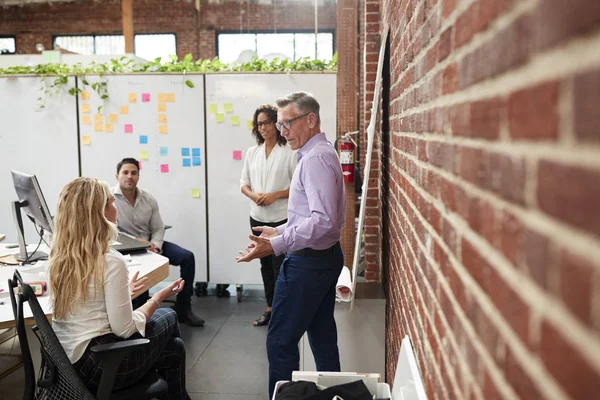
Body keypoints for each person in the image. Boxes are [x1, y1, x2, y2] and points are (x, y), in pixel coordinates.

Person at [236, 92, 345, 397]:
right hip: (322, 257)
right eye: (279, 124)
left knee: (280, 341)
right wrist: (279, 230)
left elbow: (322, 220)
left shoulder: (315, 159)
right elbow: (311, 215)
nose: (282, 131)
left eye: (287, 123)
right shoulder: (318, 152)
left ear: (310, 120)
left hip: (308, 263)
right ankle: (334, 394)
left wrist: (279, 243)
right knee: (322, 337)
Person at [49, 177, 191, 399]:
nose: (116, 207)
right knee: (170, 315)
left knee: (175, 348)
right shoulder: (110, 260)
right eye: (111, 203)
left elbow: (87, 300)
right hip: (102, 366)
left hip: (69, 365)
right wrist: (157, 298)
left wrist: (122, 293)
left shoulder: (61, 255)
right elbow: (123, 330)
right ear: (100, 213)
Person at [113, 158, 205, 327]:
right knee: (140, 272)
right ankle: (140, 314)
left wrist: (155, 245)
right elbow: (113, 232)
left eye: (134, 173)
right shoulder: (110, 200)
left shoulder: (148, 199)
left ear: (138, 176)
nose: (130, 176)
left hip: (152, 245)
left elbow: (158, 227)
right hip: (129, 250)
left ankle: (184, 307)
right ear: (117, 176)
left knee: (187, 257)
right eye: (125, 172)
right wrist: (140, 243)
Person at [240, 104, 296, 326]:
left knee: (281, 265)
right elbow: (243, 183)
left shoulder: (290, 151)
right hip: (257, 216)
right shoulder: (252, 152)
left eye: (266, 122)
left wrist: (275, 195)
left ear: (276, 123)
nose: (262, 127)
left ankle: (285, 311)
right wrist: (253, 195)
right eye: (259, 123)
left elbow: (298, 187)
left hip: (282, 218)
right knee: (264, 265)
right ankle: (270, 307)